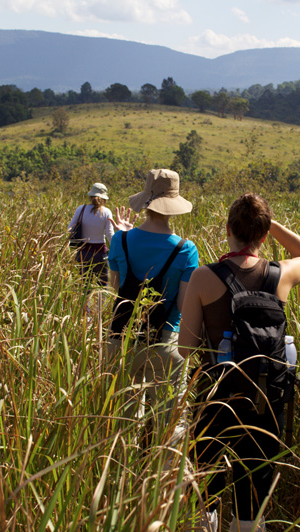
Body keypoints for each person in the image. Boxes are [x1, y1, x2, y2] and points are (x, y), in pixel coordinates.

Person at [178, 193, 300, 532]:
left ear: (228, 229)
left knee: (204, 498)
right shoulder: (280, 274)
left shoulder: (203, 277)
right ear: (264, 236)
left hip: (215, 400)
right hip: (264, 402)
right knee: (251, 505)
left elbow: (185, 348)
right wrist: (271, 225)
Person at [107, 168, 199, 442]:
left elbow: (115, 289)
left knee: (122, 429)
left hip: (121, 341)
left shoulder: (120, 239)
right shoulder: (185, 249)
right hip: (166, 342)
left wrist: (124, 237)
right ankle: (166, 469)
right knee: (169, 427)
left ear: (146, 201)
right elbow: (183, 304)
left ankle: (123, 469)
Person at [67, 182, 116, 285]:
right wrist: (117, 249)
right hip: (100, 252)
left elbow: (70, 229)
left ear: (91, 196)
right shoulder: (106, 212)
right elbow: (109, 234)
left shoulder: (81, 209)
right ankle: (101, 297)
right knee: (103, 285)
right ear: (104, 198)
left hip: (83, 252)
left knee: (85, 285)